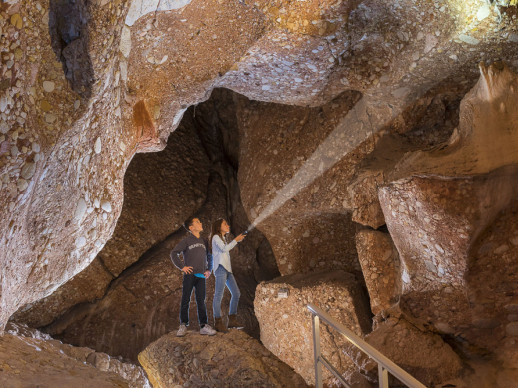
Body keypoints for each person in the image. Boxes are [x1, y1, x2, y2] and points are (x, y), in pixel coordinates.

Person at [170, 216, 216, 337]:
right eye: (197, 222)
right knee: (186, 299)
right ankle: (183, 325)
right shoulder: (186, 241)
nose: (200, 223)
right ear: (191, 227)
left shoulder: (204, 241)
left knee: (201, 301)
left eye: (200, 221)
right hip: (189, 275)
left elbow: (210, 256)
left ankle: (203, 326)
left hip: (201, 276)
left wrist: (209, 270)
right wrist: (182, 267)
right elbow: (174, 253)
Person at [210, 218, 246, 332]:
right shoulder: (216, 237)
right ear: (218, 227)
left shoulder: (223, 238)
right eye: (225, 224)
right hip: (220, 269)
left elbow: (225, 249)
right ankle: (218, 322)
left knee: (236, 293)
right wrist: (236, 240)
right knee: (218, 295)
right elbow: (224, 249)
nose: (228, 225)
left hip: (227, 270)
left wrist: (236, 240)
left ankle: (232, 320)